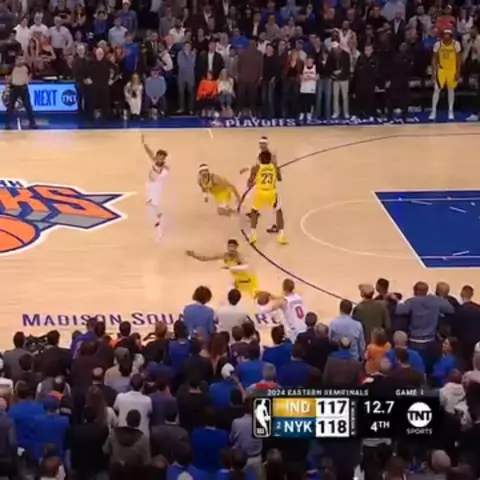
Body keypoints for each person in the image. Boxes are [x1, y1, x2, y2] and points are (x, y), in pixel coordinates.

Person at [186, 239, 260, 298]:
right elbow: (206, 258)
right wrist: (194, 255)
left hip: (249, 281)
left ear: (236, 248)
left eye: (233, 247)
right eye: (230, 246)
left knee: (256, 298)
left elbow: (247, 267)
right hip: (238, 281)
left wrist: (231, 267)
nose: (231, 248)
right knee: (231, 296)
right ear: (227, 247)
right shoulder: (225, 256)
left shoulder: (240, 257)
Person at [246, 150, 287, 245]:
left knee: (254, 212)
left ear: (260, 159)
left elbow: (249, 183)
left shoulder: (256, 168)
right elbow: (280, 179)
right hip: (271, 192)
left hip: (260, 193)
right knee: (278, 211)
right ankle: (281, 235)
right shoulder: (274, 167)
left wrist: (254, 180)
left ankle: (253, 234)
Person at [141, 134, 169, 242]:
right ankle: (159, 220)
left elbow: (162, 176)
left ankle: (159, 232)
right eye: (159, 157)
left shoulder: (164, 169)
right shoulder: (154, 160)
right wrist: (144, 143)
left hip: (156, 187)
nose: (159, 159)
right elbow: (149, 152)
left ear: (164, 159)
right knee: (150, 206)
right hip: (150, 185)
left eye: (162, 158)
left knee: (152, 208)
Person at [429, 28, 461, 121]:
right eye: (444, 34)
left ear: (451, 36)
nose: (446, 36)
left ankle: (450, 111)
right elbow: (434, 58)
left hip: (452, 70)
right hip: (441, 70)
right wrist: (433, 72)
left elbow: (459, 59)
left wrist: (458, 72)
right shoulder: (438, 44)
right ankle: (433, 111)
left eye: (448, 34)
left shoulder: (456, 44)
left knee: (451, 90)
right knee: (436, 89)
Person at [5, 55, 36, 130]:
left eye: (21, 59)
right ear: (16, 60)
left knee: (28, 106)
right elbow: (7, 77)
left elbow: (31, 73)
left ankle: (32, 123)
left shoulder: (26, 67)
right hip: (14, 88)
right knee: (10, 106)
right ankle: (8, 123)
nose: (20, 61)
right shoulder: (12, 67)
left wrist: (27, 81)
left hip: (23, 88)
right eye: (18, 59)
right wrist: (7, 86)